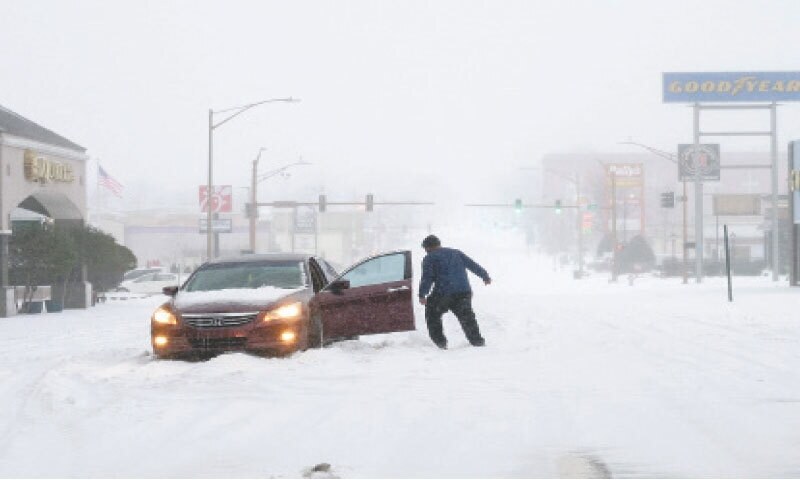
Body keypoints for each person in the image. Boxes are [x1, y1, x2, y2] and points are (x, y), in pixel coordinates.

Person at [418, 235, 491, 349]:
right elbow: (472, 265)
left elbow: (427, 278)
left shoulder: (429, 258)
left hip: (443, 293)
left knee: (432, 314)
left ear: (428, 248)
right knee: (467, 317)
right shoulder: (456, 253)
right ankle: (477, 342)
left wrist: (422, 294)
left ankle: (440, 343)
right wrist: (484, 276)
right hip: (463, 292)